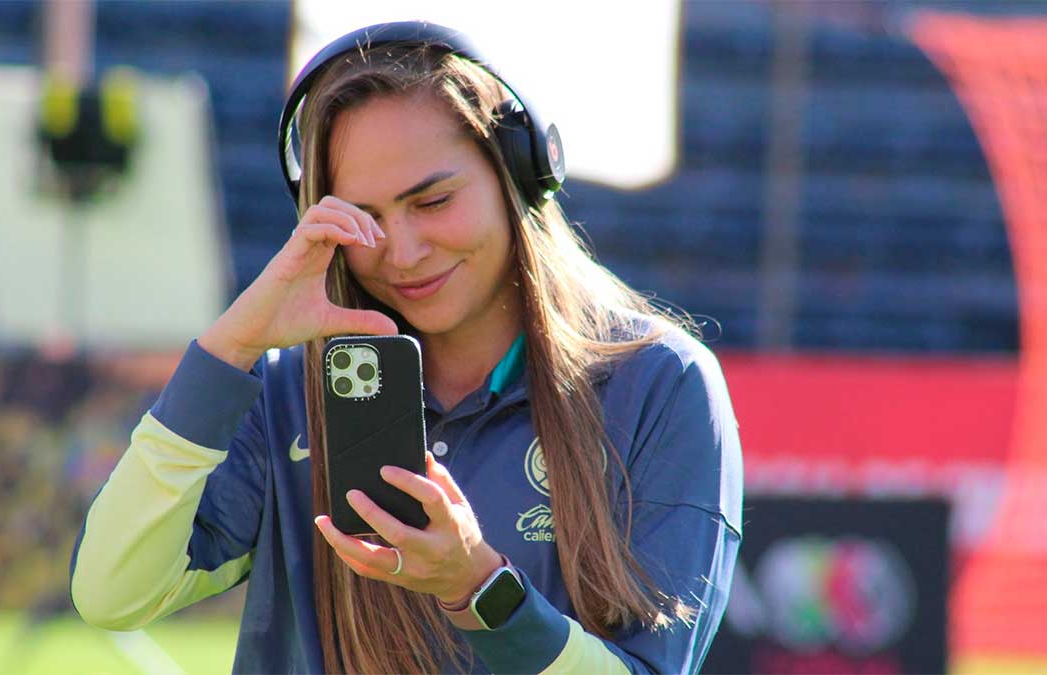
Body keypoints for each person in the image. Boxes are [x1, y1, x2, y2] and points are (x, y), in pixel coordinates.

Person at [70, 21, 742, 675]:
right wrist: (233, 343)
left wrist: (478, 586)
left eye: (433, 201)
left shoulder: (662, 383)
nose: (404, 252)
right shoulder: (286, 388)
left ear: (519, 174)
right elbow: (110, 590)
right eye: (365, 219)